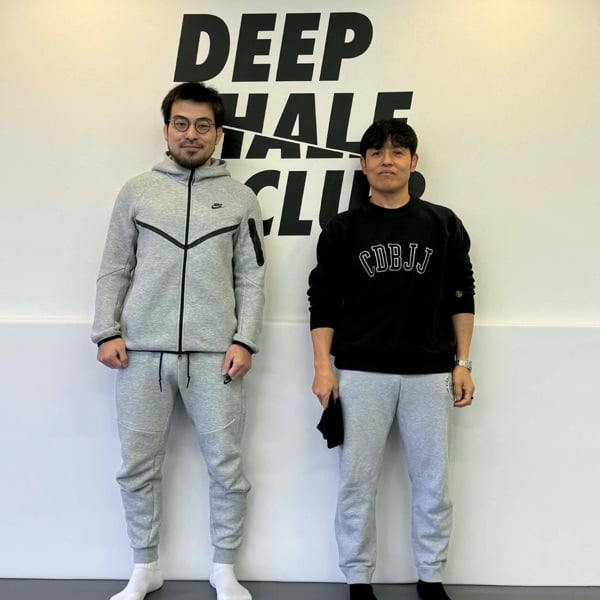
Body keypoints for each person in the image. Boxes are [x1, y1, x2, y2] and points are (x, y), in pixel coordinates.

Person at [91, 82, 266, 600]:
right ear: (166, 129)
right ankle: (144, 566)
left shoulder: (242, 199)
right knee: (137, 467)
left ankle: (224, 568)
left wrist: (245, 340)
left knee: (227, 467)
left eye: (203, 125)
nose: (192, 134)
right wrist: (106, 330)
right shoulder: (137, 192)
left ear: (218, 133)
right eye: (182, 124)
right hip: (140, 353)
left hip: (216, 357)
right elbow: (115, 266)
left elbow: (252, 277)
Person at [307, 119, 475, 600]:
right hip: (361, 371)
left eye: (398, 152)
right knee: (356, 483)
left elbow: (462, 294)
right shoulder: (344, 228)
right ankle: (358, 579)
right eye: (377, 152)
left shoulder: (443, 224)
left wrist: (463, 363)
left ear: (414, 162)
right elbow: (322, 301)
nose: (387, 160)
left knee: (433, 482)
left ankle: (431, 576)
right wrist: (323, 367)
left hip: (430, 371)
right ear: (363, 164)